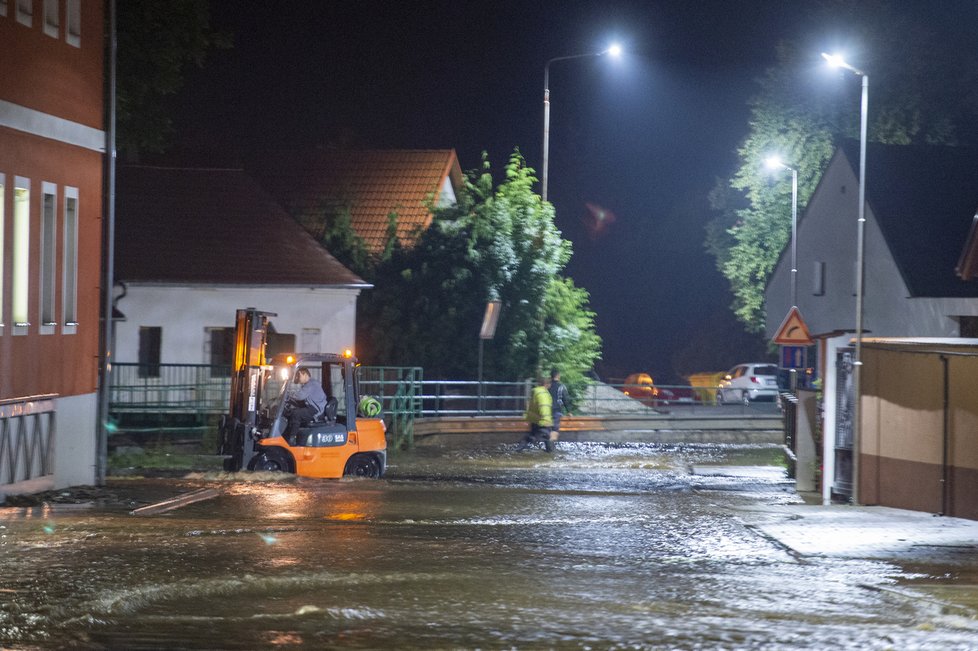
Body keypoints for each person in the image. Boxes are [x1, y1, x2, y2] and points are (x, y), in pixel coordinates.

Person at [286, 367, 327, 436]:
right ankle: (295, 434)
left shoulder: (311, 384)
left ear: (304, 374)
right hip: (313, 407)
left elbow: (300, 396)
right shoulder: (309, 384)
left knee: (296, 414)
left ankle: (292, 438)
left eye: (299, 376)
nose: (298, 378)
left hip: (317, 410)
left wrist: (289, 394)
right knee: (293, 411)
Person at [517, 374, 554, 452]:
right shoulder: (543, 393)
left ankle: (518, 449)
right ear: (547, 384)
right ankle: (551, 454)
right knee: (546, 436)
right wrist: (546, 420)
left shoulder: (536, 392)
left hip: (535, 419)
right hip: (542, 420)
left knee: (532, 435)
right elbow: (544, 406)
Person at [548, 368, 569, 443]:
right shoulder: (561, 386)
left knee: (548, 427)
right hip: (557, 410)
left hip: (547, 410)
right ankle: (551, 445)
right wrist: (569, 411)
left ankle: (548, 442)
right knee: (555, 428)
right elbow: (565, 399)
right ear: (558, 376)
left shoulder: (547, 386)